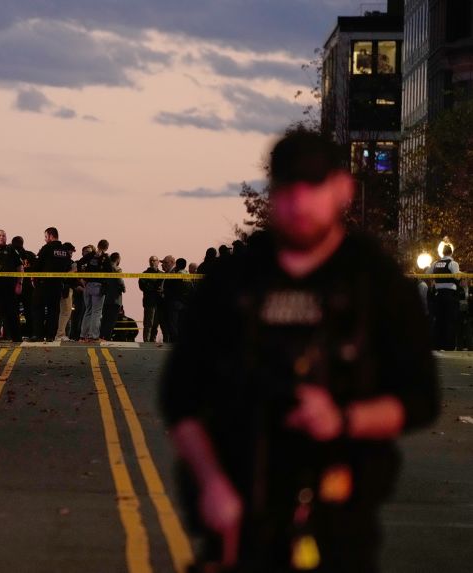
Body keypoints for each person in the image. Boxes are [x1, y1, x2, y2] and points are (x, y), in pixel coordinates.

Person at [160, 132, 439, 572]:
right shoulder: (235, 280)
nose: (300, 202)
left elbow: (421, 398)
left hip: (340, 516)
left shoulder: (374, 282)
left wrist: (344, 418)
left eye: (314, 187)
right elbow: (180, 397)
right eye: (288, 189)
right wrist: (212, 483)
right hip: (241, 509)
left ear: (342, 189)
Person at [31, 227, 73, 342]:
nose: (45, 239)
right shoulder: (65, 250)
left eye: (46, 237)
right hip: (57, 285)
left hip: (43, 284)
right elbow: (69, 268)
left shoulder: (46, 248)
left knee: (38, 309)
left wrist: (33, 276)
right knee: (53, 311)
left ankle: (38, 335)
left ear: (50, 236)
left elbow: (37, 265)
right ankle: (50, 336)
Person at [429, 243, 462, 350]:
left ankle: (437, 344)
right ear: (451, 252)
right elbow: (457, 278)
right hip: (449, 295)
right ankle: (449, 346)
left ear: (442, 253)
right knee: (450, 320)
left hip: (438, 295)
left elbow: (427, 273)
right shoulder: (453, 263)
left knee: (438, 320)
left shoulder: (435, 263)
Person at [79, 241, 113, 342]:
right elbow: (110, 274)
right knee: (96, 312)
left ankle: (82, 336)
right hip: (98, 286)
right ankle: (93, 336)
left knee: (88, 310)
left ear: (98, 245)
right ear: (106, 248)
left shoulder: (91, 255)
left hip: (88, 285)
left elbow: (79, 263)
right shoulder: (106, 258)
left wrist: (83, 277)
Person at [12, 236, 36, 339]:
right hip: (27, 286)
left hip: (14, 286)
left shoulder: (10, 254)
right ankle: (29, 333)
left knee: (13, 311)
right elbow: (37, 268)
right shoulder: (30, 255)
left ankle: (13, 333)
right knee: (28, 311)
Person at [69, 245, 94, 340]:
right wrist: (76, 286)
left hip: (91, 292)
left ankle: (86, 334)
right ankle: (74, 335)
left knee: (88, 314)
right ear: (82, 253)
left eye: (90, 252)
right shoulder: (77, 263)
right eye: (86, 251)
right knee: (77, 314)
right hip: (79, 293)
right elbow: (71, 277)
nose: (88, 253)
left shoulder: (94, 264)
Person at [100, 252, 126, 340]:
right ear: (118, 259)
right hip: (115, 298)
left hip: (106, 297)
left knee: (104, 318)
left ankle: (101, 335)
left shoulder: (105, 268)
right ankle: (107, 337)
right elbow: (120, 280)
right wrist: (124, 288)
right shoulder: (117, 269)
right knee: (112, 319)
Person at [55, 242, 78, 342]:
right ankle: (60, 334)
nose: (71, 254)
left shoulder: (58, 261)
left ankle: (60, 333)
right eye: (71, 252)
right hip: (66, 289)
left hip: (61, 287)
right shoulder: (67, 262)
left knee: (63, 312)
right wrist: (74, 270)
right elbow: (65, 276)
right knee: (66, 312)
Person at [139, 255, 164, 342]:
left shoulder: (162, 274)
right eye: (151, 260)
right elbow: (142, 287)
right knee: (148, 323)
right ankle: (146, 340)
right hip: (149, 302)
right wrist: (153, 287)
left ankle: (153, 339)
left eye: (154, 260)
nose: (152, 262)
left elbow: (163, 287)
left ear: (158, 262)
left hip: (159, 302)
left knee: (156, 324)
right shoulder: (145, 274)